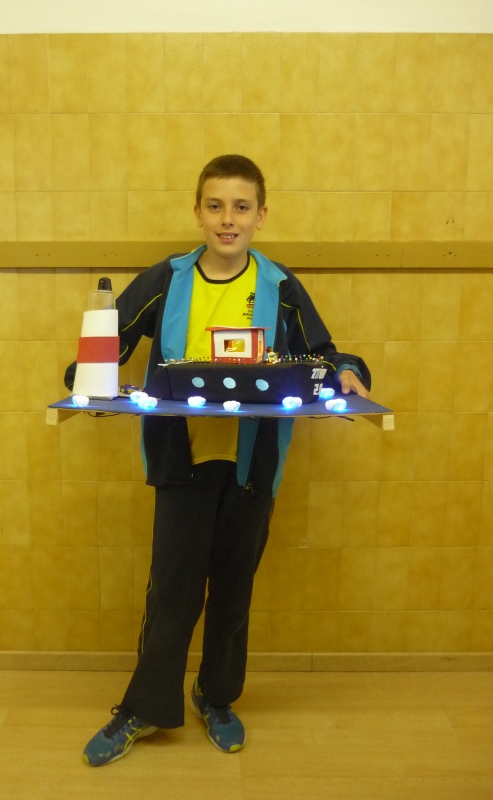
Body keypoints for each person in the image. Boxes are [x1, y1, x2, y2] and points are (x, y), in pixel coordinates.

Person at [70, 154, 370, 767]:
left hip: (253, 466)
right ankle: (144, 707)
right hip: (180, 460)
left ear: (261, 215)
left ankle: (216, 696)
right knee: (173, 589)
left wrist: (347, 372)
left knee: (233, 589)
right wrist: (86, 375)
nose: (227, 219)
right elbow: (111, 340)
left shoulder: (280, 287)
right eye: (215, 206)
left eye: (240, 207)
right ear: (198, 212)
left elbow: (325, 353)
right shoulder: (166, 279)